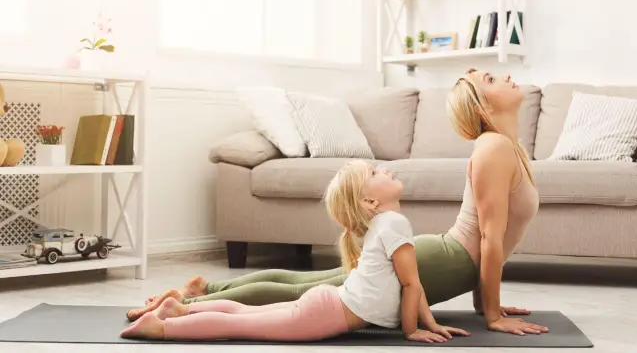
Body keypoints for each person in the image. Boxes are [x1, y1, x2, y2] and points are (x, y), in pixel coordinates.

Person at [128, 69, 548, 337]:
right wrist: (491, 315)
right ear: (482, 105)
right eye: (490, 81)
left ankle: (201, 292)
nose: (506, 77)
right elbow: (489, 240)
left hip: (450, 260)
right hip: (445, 261)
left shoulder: (506, 147)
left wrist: (483, 302)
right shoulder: (494, 149)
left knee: (311, 285)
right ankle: (190, 306)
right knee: (312, 290)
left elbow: (494, 238)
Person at [121, 161, 469, 343]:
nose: (386, 169)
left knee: (245, 315)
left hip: (328, 304)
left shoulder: (386, 223)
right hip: (326, 312)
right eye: (376, 172)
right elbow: (411, 286)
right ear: (370, 201)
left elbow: (413, 284)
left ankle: (178, 311)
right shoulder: (395, 224)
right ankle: (162, 328)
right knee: (241, 325)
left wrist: (431, 323)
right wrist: (413, 331)